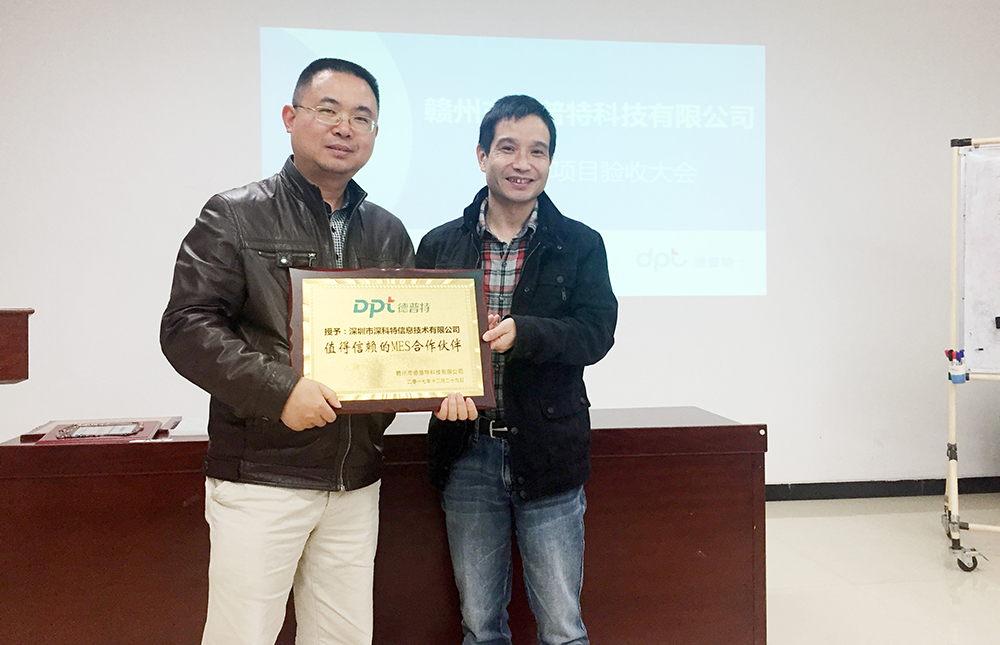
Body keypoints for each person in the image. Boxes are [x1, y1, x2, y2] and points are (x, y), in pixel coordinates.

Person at [160, 58, 414, 645]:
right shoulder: (234, 214)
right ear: (289, 117)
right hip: (262, 476)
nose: (345, 127)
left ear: (375, 134)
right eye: (328, 110)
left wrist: (445, 379)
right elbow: (186, 327)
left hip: (355, 479)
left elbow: (402, 342)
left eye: (362, 117)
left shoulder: (389, 232)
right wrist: (282, 392)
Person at [416, 95, 618, 645]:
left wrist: (526, 332)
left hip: (548, 450)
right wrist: (434, 390)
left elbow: (596, 333)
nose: (522, 163)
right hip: (466, 453)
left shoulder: (580, 244)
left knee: (562, 628)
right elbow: (417, 344)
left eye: (538, 151)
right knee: (480, 625)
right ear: (482, 156)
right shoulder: (439, 244)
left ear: (550, 161)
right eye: (508, 148)